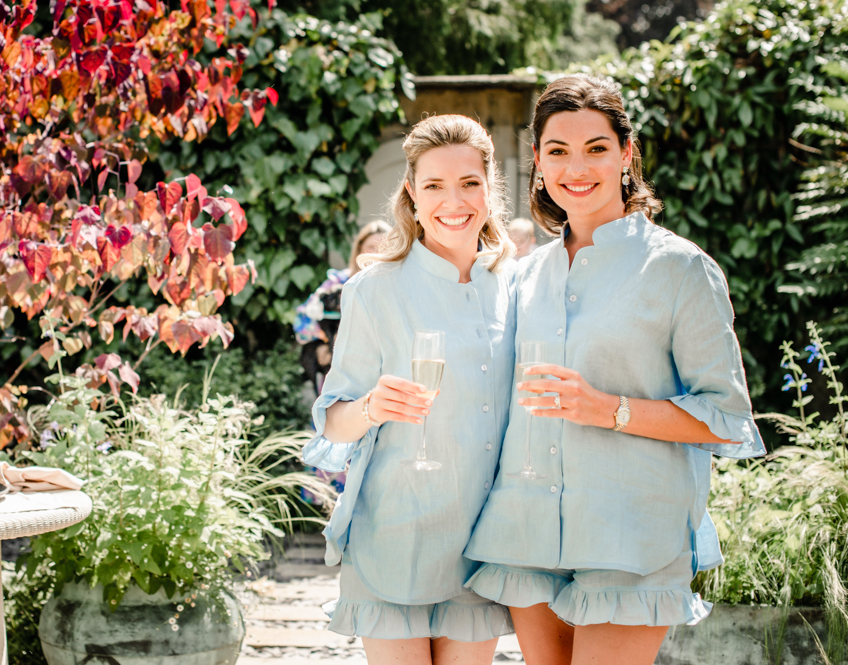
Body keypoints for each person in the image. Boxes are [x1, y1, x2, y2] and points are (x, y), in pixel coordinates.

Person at [463, 75, 766, 665]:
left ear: (626, 153)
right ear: (538, 161)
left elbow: (727, 420)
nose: (576, 167)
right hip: (526, 530)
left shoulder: (679, 269)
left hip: (632, 536)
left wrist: (608, 409)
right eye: (558, 150)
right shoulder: (523, 274)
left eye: (596, 148)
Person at [301, 114, 518, 665]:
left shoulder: (516, 286)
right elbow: (334, 424)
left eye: (469, 183)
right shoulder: (374, 289)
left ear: (490, 190)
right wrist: (372, 407)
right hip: (395, 534)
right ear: (412, 195)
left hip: (484, 544)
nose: (454, 201)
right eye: (434, 185)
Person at [294, 220, 391, 395]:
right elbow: (302, 320)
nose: (377, 253)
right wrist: (326, 341)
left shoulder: (398, 286)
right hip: (340, 374)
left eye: (384, 248)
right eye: (371, 247)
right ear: (359, 249)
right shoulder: (339, 282)